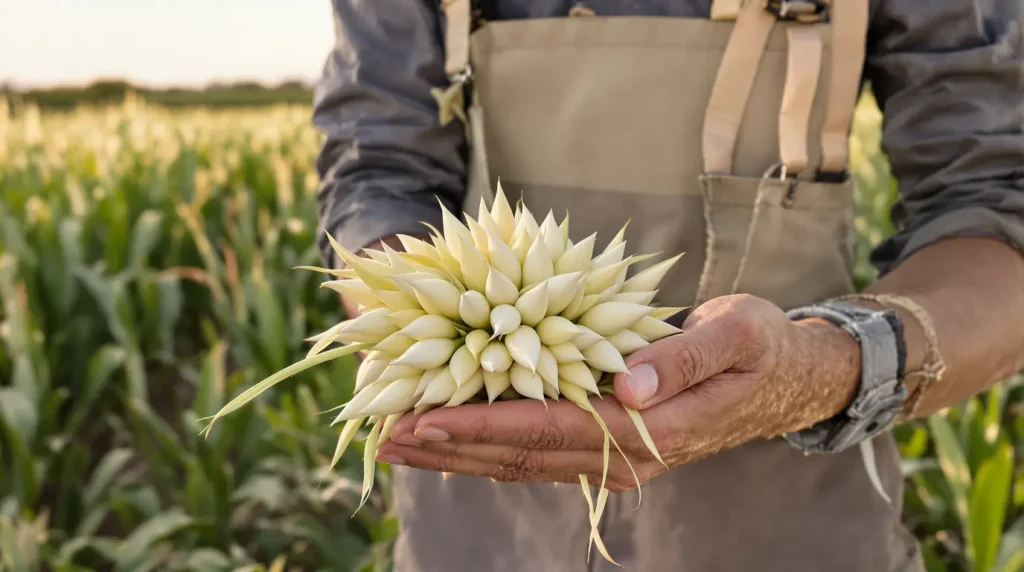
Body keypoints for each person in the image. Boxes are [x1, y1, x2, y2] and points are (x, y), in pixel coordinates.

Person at [312, 1, 1024, 570]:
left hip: (789, 530)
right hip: (473, 535)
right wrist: (418, 321)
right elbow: (374, 171)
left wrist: (821, 368)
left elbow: (993, 211)